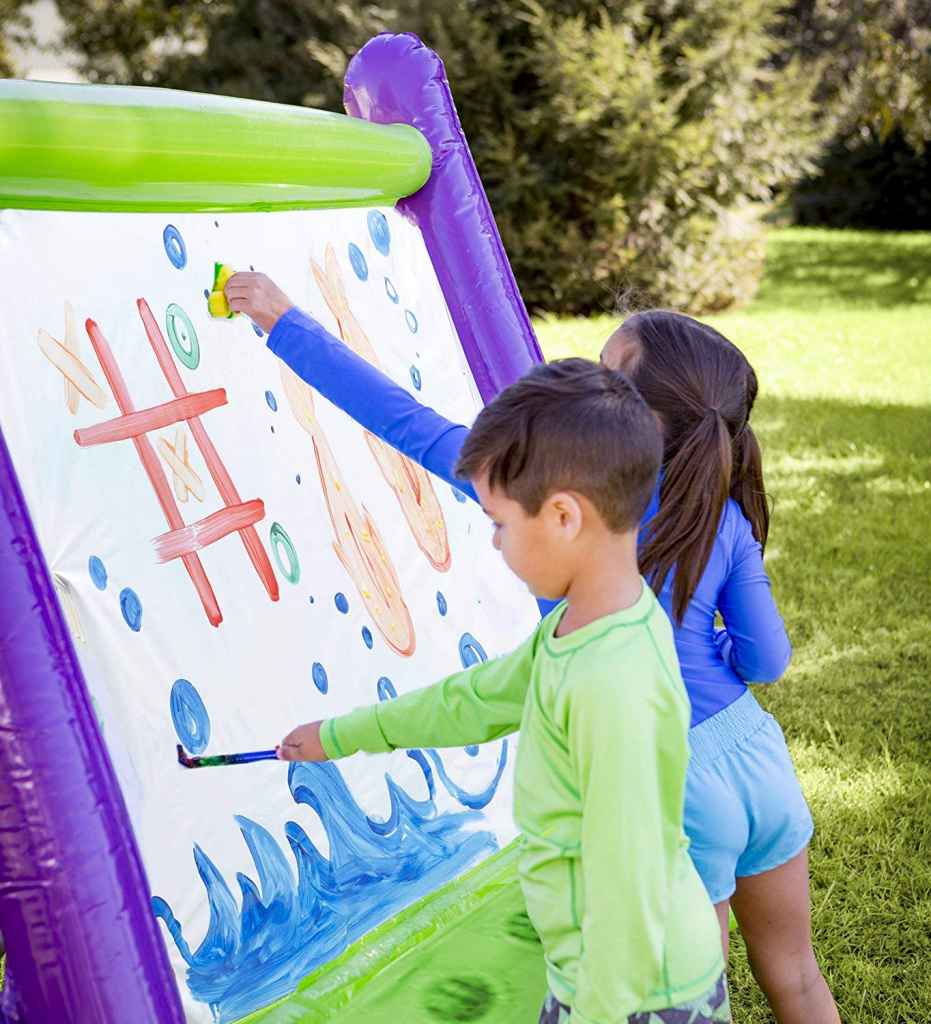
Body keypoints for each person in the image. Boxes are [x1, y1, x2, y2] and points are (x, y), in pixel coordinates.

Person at [226, 274, 840, 1024]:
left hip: (680, 786)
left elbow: (408, 422)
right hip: (754, 758)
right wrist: (701, 645)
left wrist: (286, 323)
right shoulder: (720, 514)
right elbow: (766, 662)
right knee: (796, 976)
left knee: (682, 990)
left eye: (604, 375)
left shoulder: (554, 507)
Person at [275, 357, 729, 1024]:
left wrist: (595, 1011)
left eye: (499, 523)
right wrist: (343, 735)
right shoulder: (582, 626)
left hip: (637, 994)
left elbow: (627, 878)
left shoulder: (612, 684)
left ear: (563, 516)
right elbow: (477, 700)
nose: (493, 543)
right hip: (592, 974)